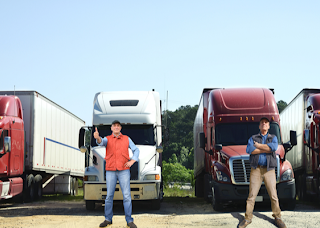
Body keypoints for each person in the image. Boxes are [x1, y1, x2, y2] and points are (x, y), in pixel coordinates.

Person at [238, 117, 286, 228]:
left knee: (273, 195)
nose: (264, 124)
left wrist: (258, 146)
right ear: (259, 126)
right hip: (256, 169)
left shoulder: (273, 137)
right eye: (262, 123)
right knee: (251, 196)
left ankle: (278, 218)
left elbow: (273, 147)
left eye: (266, 123)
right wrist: (266, 149)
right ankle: (247, 218)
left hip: (269, 170)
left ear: (269, 126)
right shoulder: (253, 137)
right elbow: (249, 150)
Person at [94, 120, 140, 228]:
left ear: (120, 128)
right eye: (114, 126)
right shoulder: (107, 139)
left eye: (118, 126)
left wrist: (132, 161)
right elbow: (101, 142)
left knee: (127, 196)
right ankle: (107, 219)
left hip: (124, 170)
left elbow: (136, 150)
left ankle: (129, 220)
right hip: (110, 170)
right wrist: (97, 137)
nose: (116, 127)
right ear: (111, 128)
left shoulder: (126, 139)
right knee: (109, 196)